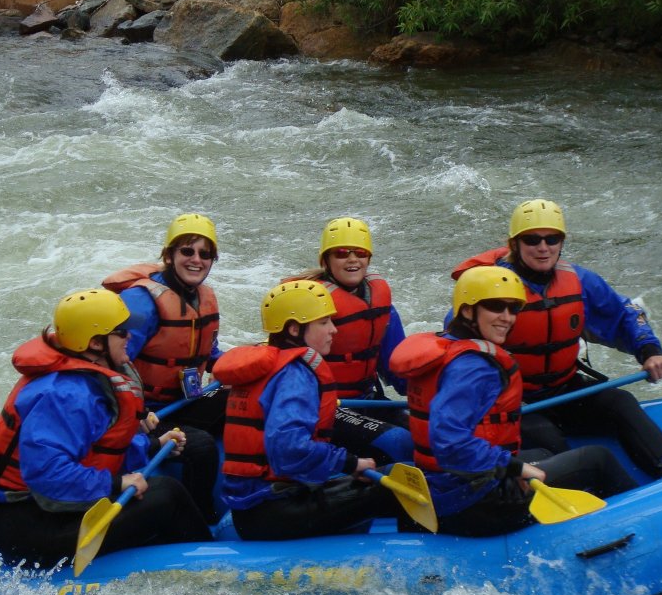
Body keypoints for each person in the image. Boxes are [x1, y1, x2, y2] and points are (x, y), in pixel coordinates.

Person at [390, 266, 637, 537]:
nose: (507, 318)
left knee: (543, 455)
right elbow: (448, 440)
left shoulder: (445, 348)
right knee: (596, 459)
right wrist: (514, 467)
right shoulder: (475, 367)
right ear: (468, 310)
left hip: (444, 488)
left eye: (513, 308)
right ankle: (638, 530)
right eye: (496, 307)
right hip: (477, 501)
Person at [0, 288, 212, 566]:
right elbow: (46, 473)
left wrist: (152, 445)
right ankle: (210, 567)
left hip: (47, 511)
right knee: (167, 494)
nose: (130, 337)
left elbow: (97, 449)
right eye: (122, 331)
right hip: (31, 528)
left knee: (160, 486)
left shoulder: (85, 381)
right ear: (95, 343)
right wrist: (116, 483)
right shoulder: (66, 394)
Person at [450, 199, 662, 479]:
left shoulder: (579, 280)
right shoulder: (490, 287)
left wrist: (649, 351)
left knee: (621, 402)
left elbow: (624, 313)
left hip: (564, 388)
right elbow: (455, 342)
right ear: (514, 244)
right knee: (553, 445)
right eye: (532, 239)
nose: (543, 247)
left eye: (552, 239)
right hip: (514, 401)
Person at [212, 280, 406, 540]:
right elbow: (289, 448)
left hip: (261, 501)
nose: (334, 330)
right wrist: (350, 462)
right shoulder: (294, 375)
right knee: (393, 486)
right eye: (324, 323)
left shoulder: (270, 364)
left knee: (375, 479)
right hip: (271, 509)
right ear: (294, 328)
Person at [102, 213, 224, 521]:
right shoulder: (142, 303)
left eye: (204, 253)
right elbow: (112, 365)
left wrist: (241, 369)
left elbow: (208, 352)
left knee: (248, 402)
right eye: (187, 251)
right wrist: (136, 411)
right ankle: (200, 520)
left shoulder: (203, 297)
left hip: (182, 400)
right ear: (169, 255)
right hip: (148, 413)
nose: (196, 260)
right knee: (201, 446)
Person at [287, 217, 412, 464]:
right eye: (342, 253)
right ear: (326, 260)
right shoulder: (304, 306)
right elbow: (285, 360)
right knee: (399, 441)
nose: (352, 259)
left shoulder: (381, 305)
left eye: (360, 253)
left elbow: (395, 368)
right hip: (326, 406)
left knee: (424, 433)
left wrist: (428, 395)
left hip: (365, 398)